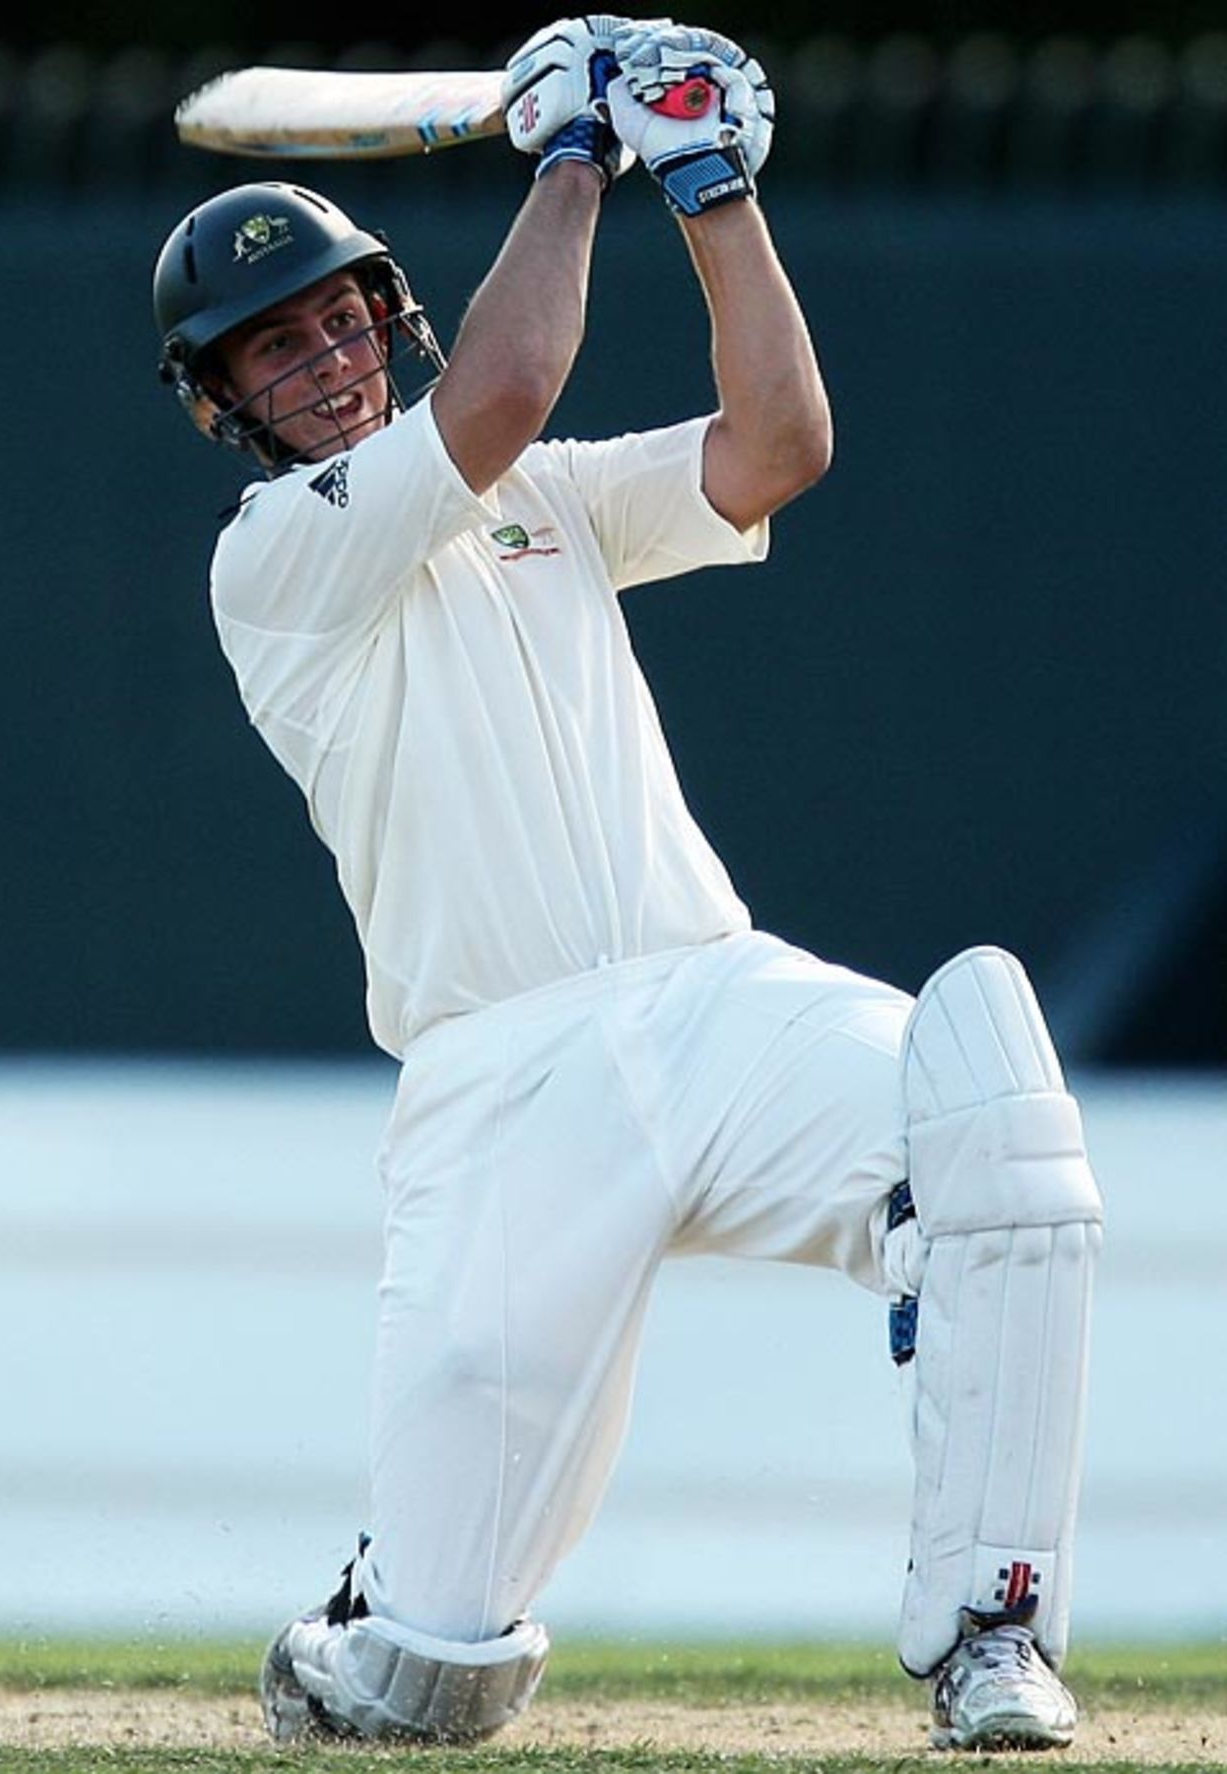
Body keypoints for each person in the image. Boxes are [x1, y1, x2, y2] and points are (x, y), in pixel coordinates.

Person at [152, 15, 1103, 1753]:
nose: (328, 361)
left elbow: (778, 443)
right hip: (502, 1086)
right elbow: (505, 388)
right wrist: (581, 151)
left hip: (712, 997)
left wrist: (711, 184)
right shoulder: (274, 561)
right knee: (429, 1686)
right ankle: (375, 1610)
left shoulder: (551, 503)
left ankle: (994, 1631)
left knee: (994, 1114)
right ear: (225, 404)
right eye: (276, 347)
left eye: (342, 318)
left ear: (387, 314)